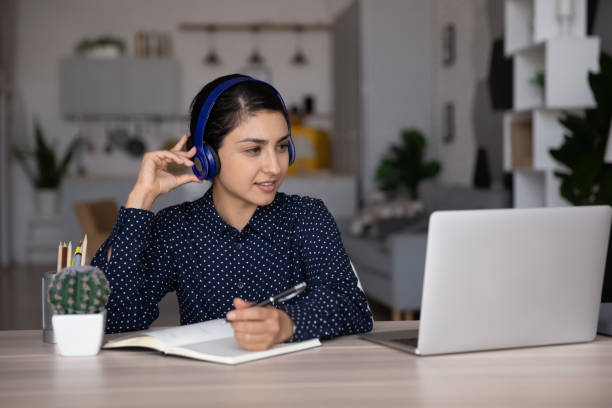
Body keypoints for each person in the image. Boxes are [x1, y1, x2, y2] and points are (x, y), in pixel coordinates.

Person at [92, 74, 373, 351]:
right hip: (207, 388)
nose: (275, 167)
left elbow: (353, 306)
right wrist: (140, 198)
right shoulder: (177, 228)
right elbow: (117, 317)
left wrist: (287, 323)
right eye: (254, 149)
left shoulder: (306, 216)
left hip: (295, 384)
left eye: (282, 146)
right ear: (207, 158)